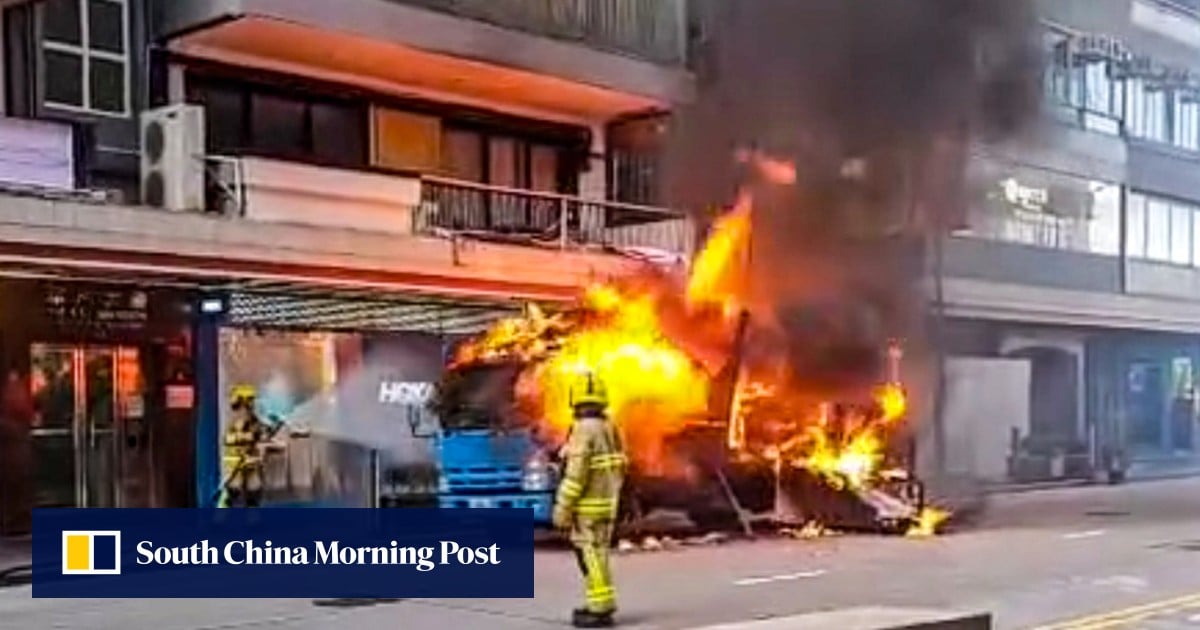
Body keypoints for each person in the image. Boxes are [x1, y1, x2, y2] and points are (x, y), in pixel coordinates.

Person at [553, 372, 627, 628]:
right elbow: (621, 466)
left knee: (590, 555)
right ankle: (600, 602)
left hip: (587, 507)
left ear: (575, 400)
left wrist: (563, 508)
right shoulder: (611, 427)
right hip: (608, 503)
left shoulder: (584, 430)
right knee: (599, 553)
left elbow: (576, 476)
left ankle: (600, 608)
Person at [222, 385, 269, 507]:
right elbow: (228, 439)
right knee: (233, 490)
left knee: (254, 489)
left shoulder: (253, 420)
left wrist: (262, 434)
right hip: (236, 461)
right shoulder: (235, 418)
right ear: (243, 402)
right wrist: (250, 436)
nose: (253, 404)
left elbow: (261, 433)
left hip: (250, 459)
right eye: (251, 400)